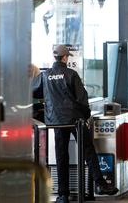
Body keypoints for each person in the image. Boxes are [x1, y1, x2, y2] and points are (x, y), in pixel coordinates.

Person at [32, 45, 118, 203]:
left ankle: (62, 195)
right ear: (65, 58)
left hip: (56, 122)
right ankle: (101, 185)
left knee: (61, 156)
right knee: (88, 152)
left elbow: (34, 92)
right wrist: (86, 116)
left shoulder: (45, 76)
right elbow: (82, 100)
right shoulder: (71, 74)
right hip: (75, 120)